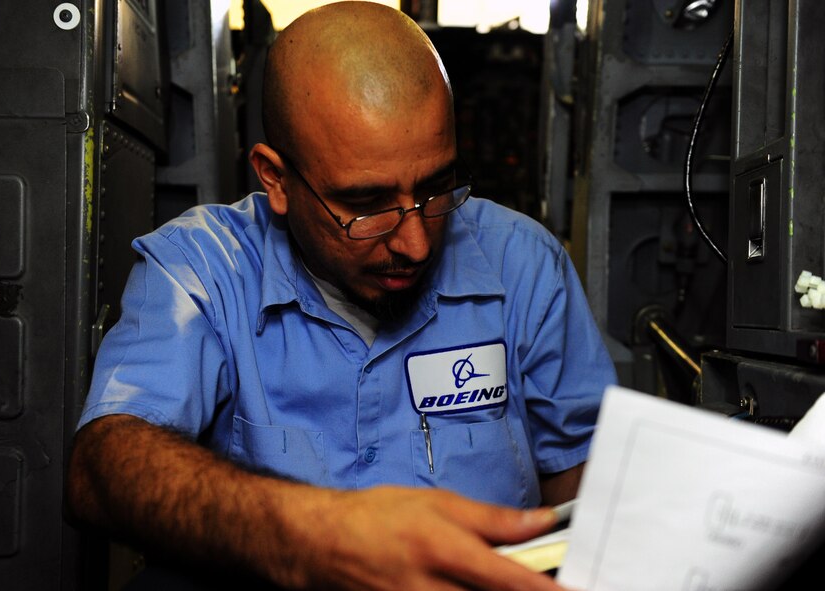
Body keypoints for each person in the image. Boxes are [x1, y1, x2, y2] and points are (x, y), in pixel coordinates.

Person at [66, 2, 617, 589]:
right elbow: (104, 467)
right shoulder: (203, 267)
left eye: (435, 189)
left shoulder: (525, 265)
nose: (415, 242)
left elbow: (587, 481)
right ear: (275, 178)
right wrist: (314, 536)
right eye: (365, 204)